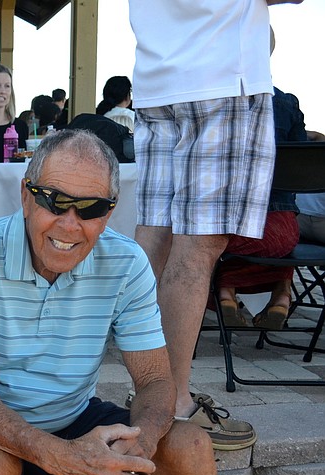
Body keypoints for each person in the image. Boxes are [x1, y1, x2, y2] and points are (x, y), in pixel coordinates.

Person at [0, 129, 216, 475]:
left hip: (73, 416)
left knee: (191, 449)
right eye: (53, 200)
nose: (70, 224)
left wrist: (142, 443)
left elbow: (155, 380)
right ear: (25, 195)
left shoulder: (127, 263)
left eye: (91, 208)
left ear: (109, 213)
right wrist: (65, 460)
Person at [127, 0, 304, 448]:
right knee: (196, 250)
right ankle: (171, 404)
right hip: (222, 71)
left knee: (155, 236)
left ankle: (145, 391)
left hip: (157, 75)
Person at [217, 82, 307, 330]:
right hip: (280, 230)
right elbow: (299, 171)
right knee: (276, 242)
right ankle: (281, 296)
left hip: (228, 223)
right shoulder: (287, 103)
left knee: (203, 245)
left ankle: (226, 290)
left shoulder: (214, 99)